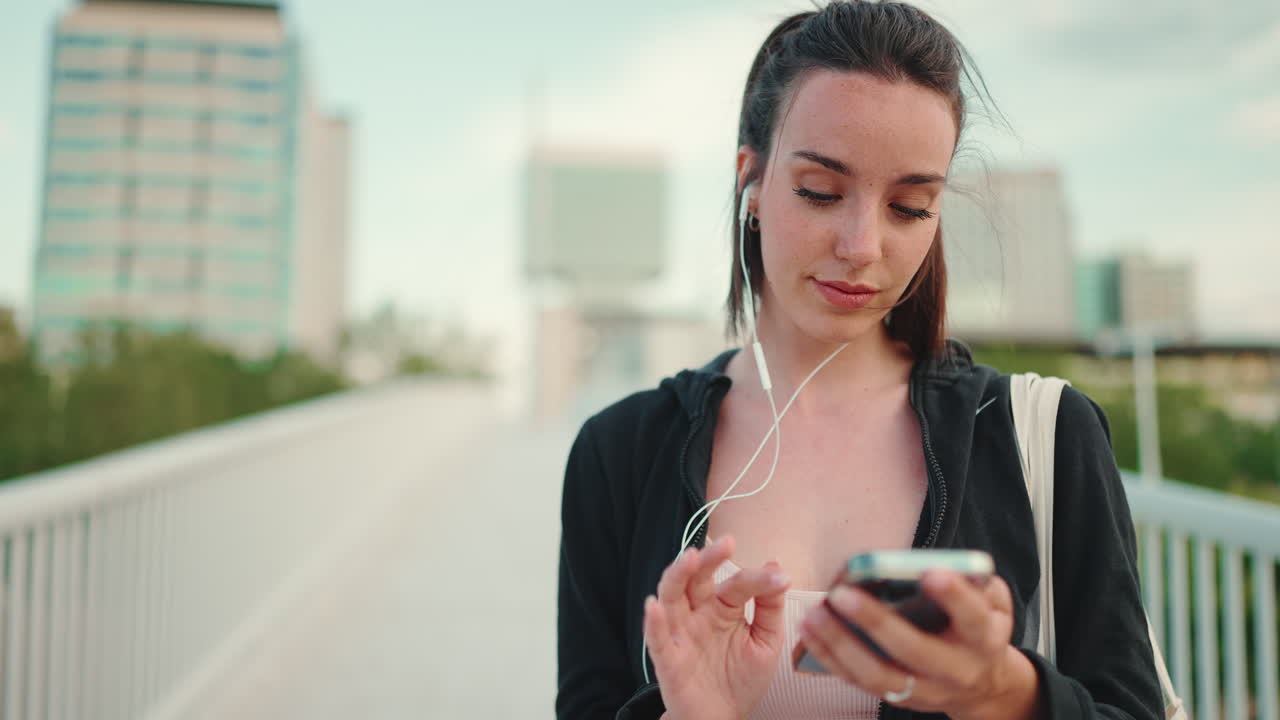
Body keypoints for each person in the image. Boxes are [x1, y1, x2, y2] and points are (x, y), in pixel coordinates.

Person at [557, 2, 1163, 718]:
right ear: (751, 183)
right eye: (821, 191)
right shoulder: (620, 451)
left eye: (910, 207)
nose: (862, 245)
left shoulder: (1043, 432)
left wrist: (1003, 691)